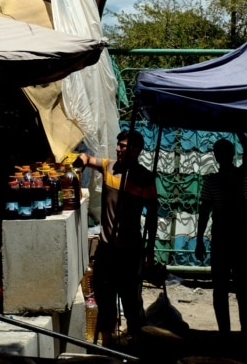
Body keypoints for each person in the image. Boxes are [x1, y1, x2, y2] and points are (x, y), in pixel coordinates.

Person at [76, 129, 158, 347]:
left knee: (131, 301)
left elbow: (152, 216)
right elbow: (87, 158)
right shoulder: (108, 166)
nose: (119, 149)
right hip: (106, 249)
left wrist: (149, 251)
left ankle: (137, 345)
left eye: (124, 146)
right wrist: (79, 162)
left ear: (136, 150)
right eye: (118, 145)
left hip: (130, 251)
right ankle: (107, 344)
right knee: (105, 300)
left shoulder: (144, 178)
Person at [195, 134, 247, 334]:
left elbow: (205, 211)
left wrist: (199, 239)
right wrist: (239, 131)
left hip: (224, 238)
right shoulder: (242, 175)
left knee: (222, 290)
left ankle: (226, 333)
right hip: (237, 239)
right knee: (241, 291)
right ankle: (243, 333)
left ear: (217, 156)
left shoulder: (213, 180)